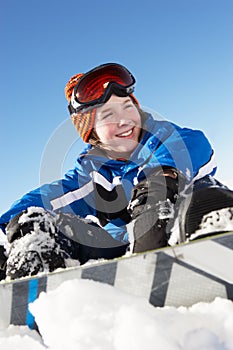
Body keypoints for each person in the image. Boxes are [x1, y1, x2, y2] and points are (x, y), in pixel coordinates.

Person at [1, 62, 233, 280]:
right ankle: (26, 300)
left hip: (178, 242)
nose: (124, 120)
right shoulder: (93, 175)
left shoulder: (169, 139)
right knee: (34, 223)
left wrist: (161, 181)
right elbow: (49, 197)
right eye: (108, 115)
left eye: (127, 107)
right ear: (92, 133)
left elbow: (191, 147)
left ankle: (216, 255)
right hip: (123, 259)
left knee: (202, 198)